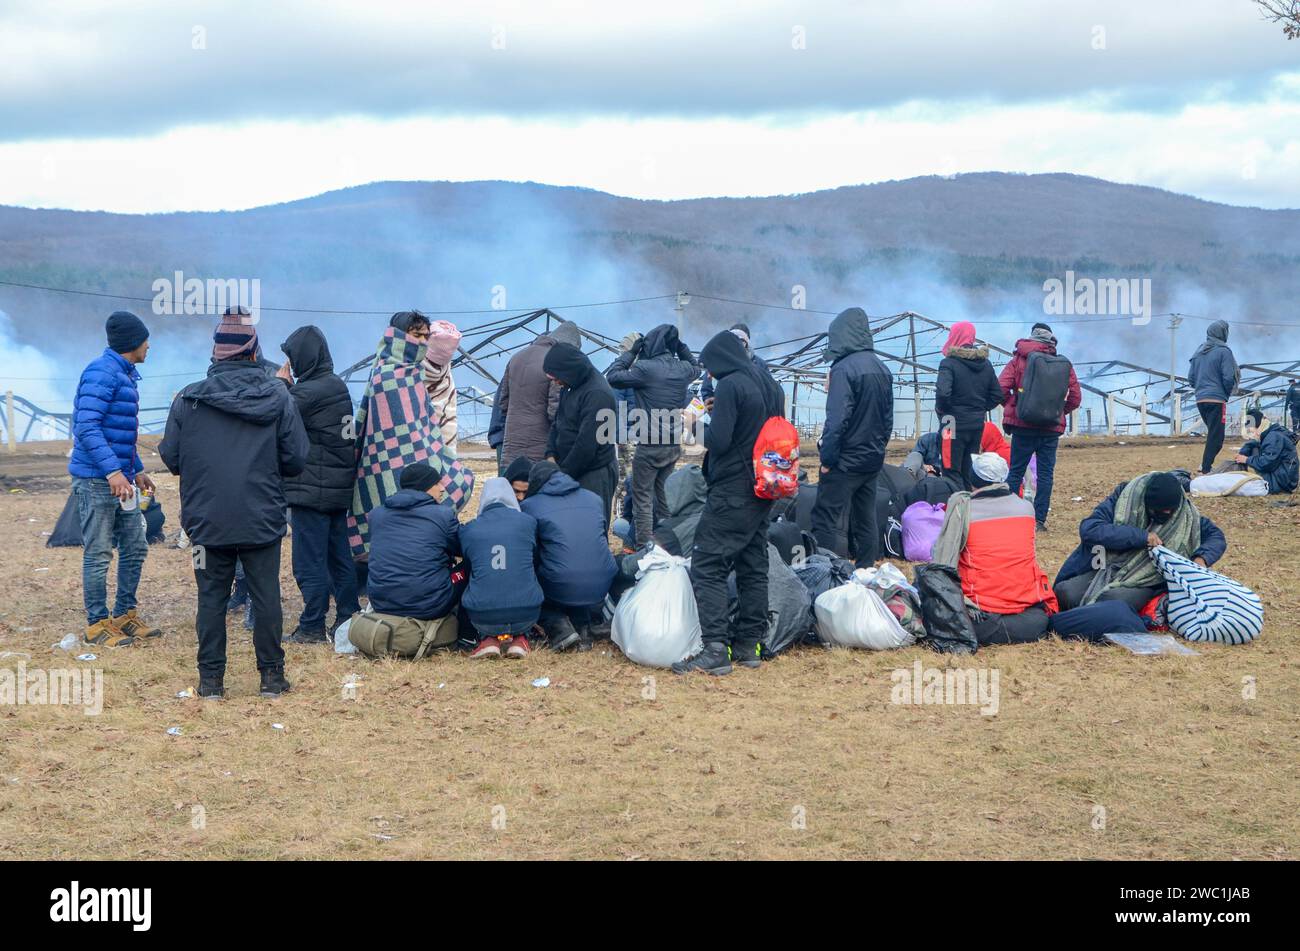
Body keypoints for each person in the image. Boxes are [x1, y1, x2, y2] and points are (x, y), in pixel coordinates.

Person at [159, 308, 309, 700]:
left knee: (210, 598)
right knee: (266, 594)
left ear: (216, 355)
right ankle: (272, 679)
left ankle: (211, 683)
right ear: (254, 353)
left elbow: (171, 458)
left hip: (206, 522)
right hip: (261, 517)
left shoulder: (187, 400)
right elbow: (296, 459)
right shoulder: (278, 396)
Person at [673, 329, 784, 675]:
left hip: (733, 488)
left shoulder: (733, 385)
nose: (709, 375)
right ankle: (749, 645)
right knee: (753, 565)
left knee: (707, 563)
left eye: (709, 367)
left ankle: (715, 649)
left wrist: (693, 423)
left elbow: (720, 441)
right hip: (764, 487)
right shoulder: (769, 384)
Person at [349, 312, 473, 568]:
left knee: (456, 485)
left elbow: (423, 424)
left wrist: (433, 453)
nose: (422, 342)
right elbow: (387, 425)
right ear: (398, 335)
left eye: (426, 337)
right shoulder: (386, 374)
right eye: (417, 336)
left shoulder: (414, 374)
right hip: (384, 461)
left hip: (420, 456)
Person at [68, 310, 162, 647]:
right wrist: (112, 471)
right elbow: (87, 427)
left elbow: (118, 433)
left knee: (135, 545)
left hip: (119, 479)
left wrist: (134, 468)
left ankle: (125, 614)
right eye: (145, 340)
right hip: (97, 480)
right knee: (99, 552)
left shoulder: (124, 374)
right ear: (132, 343)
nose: (149, 345)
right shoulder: (102, 373)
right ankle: (97, 623)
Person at [278, 325, 360, 643]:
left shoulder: (310, 391)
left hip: (312, 490)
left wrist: (282, 384)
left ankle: (312, 625)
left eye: (292, 358)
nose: (292, 365)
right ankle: (347, 617)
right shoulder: (333, 384)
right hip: (335, 490)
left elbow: (277, 410)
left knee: (308, 561)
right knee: (339, 555)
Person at [930, 452, 1057, 645]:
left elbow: (941, 561)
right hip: (1030, 617)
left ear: (973, 478)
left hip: (981, 612)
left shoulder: (963, 508)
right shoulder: (1026, 509)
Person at [1053, 471, 1227, 611]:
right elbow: (1090, 529)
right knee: (1065, 593)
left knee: (1112, 601)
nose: (1165, 515)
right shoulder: (1124, 498)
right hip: (1108, 567)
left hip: (1149, 579)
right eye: (1158, 510)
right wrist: (1141, 536)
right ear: (1145, 503)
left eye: (1169, 512)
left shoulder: (1186, 514)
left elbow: (1216, 536)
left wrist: (1201, 558)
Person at [810, 307, 894, 566]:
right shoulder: (882, 368)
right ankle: (865, 571)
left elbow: (836, 421)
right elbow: (888, 420)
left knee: (825, 517)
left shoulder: (844, 369)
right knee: (866, 518)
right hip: (871, 460)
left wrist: (827, 458)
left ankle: (824, 575)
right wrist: (878, 449)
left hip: (844, 462)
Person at [605, 323, 700, 547]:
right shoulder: (682, 369)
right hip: (672, 445)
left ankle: (644, 547)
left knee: (642, 499)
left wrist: (631, 353)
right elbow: (697, 367)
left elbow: (614, 376)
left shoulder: (645, 368)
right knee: (664, 495)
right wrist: (681, 346)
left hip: (649, 444)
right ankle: (669, 542)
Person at [521, 461, 617, 652]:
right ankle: (584, 626)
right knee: (573, 564)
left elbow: (529, 555)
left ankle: (559, 627)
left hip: (561, 584)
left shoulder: (529, 506)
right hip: (603, 584)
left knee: (539, 576)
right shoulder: (593, 498)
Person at [999, 322, 1081, 531]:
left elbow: (1000, 388)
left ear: (1031, 337)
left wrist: (1014, 405)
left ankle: (1009, 515)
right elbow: (1075, 397)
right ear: (1051, 340)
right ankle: (1039, 521)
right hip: (1050, 429)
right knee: (1045, 475)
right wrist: (1057, 412)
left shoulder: (1018, 360)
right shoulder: (1062, 363)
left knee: (1015, 472)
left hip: (1023, 425)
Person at [365, 462, 461, 622]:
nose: (443, 488)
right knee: (472, 565)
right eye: (437, 483)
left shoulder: (377, 515)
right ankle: (468, 633)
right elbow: (461, 548)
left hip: (382, 603)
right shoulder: (443, 515)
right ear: (425, 486)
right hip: (429, 605)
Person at [459, 477, 544, 659]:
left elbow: (470, 565)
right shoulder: (528, 523)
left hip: (481, 615)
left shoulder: (470, 529)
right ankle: (520, 639)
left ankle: (488, 639)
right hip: (528, 611)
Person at [543, 342, 619, 528]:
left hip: (593, 473)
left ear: (568, 370)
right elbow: (558, 422)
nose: (555, 382)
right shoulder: (571, 385)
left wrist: (562, 476)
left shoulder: (598, 394)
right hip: (568, 469)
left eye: (556, 377)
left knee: (590, 528)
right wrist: (550, 453)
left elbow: (586, 446)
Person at [498, 320, 581, 464]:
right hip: (539, 449)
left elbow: (503, 403)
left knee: (512, 484)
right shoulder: (554, 361)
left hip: (511, 447)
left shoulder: (516, 357)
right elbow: (554, 411)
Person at [934, 321, 1003, 487]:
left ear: (954, 336)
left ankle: (957, 507)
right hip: (976, 424)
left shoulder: (949, 363)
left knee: (951, 469)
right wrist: (978, 409)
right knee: (968, 468)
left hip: (951, 423)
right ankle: (970, 507)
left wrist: (944, 412)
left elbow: (943, 394)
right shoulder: (985, 364)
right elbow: (997, 394)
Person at [1188, 320, 1239, 475]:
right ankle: (1205, 468)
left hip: (1200, 399)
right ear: (1223, 333)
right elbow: (1228, 377)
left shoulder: (1198, 352)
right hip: (1217, 399)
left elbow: (1191, 378)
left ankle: (1205, 465)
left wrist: (1201, 388)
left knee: (1213, 433)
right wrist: (1225, 392)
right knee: (1217, 437)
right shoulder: (1224, 351)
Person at [699, 323, 766, 408]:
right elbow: (707, 390)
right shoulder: (717, 362)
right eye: (734, 339)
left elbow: (767, 391)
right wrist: (714, 409)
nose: (737, 344)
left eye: (741, 340)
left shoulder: (760, 364)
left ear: (747, 341)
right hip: (724, 410)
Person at [1235, 407, 1298, 494]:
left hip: (1281, 483)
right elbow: (1253, 443)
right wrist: (1242, 453)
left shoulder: (1273, 437)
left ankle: (1266, 485)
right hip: (1284, 478)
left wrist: (1246, 459)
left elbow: (1267, 463)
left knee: (1255, 450)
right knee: (1253, 447)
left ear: (1258, 425)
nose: (1252, 433)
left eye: (1251, 430)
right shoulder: (1271, 432)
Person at [422, 319, 462, 455]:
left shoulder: (408, 370)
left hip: (413, 446)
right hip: (444, 446)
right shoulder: (447, 376)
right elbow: (450, 419)